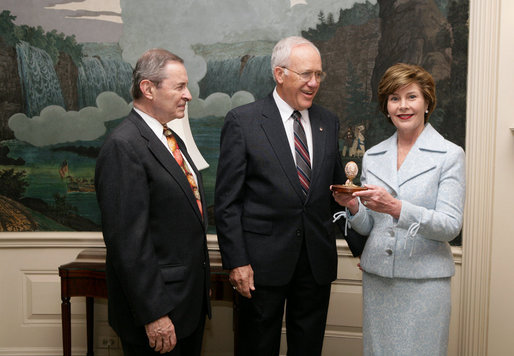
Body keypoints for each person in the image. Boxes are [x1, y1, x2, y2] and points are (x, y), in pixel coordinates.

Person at [214, 36, 363, 356]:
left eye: (319, 75)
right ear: (279, 74)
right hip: (260, 266)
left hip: (315, 263)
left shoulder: (327, 121)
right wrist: (237, 261)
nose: (314, 83)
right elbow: (227, 203)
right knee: (257, 347)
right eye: (306, 74)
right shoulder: (244, 122)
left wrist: (362, 248)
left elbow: (338, 191)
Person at [333, 63, 466, 355]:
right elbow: (370, 227)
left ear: (427, 102)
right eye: (394, 98)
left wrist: (396, 208)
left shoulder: (450, 155)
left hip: (425, 283)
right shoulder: (374, 156)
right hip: (378, 279)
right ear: (386, 107)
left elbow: (450, 225)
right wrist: (354, 206)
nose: (403, 106)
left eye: (411, 97)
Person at [95, 48, 211, 356]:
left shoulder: (172, 138)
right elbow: (128, 242)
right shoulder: (124, 145)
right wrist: (155, 314)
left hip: (186, 305)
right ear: (148, 89)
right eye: (179, 87)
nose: (188, 95)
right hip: (159, 312)